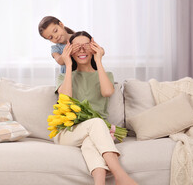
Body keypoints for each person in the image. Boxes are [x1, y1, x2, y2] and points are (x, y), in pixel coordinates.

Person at [55, 31, 137, 185]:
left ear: (93, 48)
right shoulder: (63, 77)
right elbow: (65, 99)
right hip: (68, 132)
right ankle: (121, 176)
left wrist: (98, 60)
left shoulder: (106, 75)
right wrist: (68, 64)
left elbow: (107, 92)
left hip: (95, 132)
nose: (81, 50)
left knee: (90, 144)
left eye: (86, 45)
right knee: (96, 122)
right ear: (69, 51)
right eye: (76, 47)